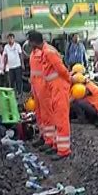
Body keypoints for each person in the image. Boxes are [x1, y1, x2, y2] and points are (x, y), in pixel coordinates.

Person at [34, 31, 72, 160]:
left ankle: (64, 150)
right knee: (56, 117)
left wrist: (68, 80)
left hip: (59, 86)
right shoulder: (46, 51)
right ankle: (57, 145)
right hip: (54, 87)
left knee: (61, 118)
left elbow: (61, 69)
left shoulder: (48, 52)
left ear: (34, 42)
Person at [28, 32, 53, 147]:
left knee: (47, 115)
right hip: (36, 87)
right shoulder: (33, 53)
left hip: (44, 87)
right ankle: (43, 136)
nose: (28, 43)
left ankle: (50, 140)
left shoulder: (44, 52)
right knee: (39, 114)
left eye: (29, 41)